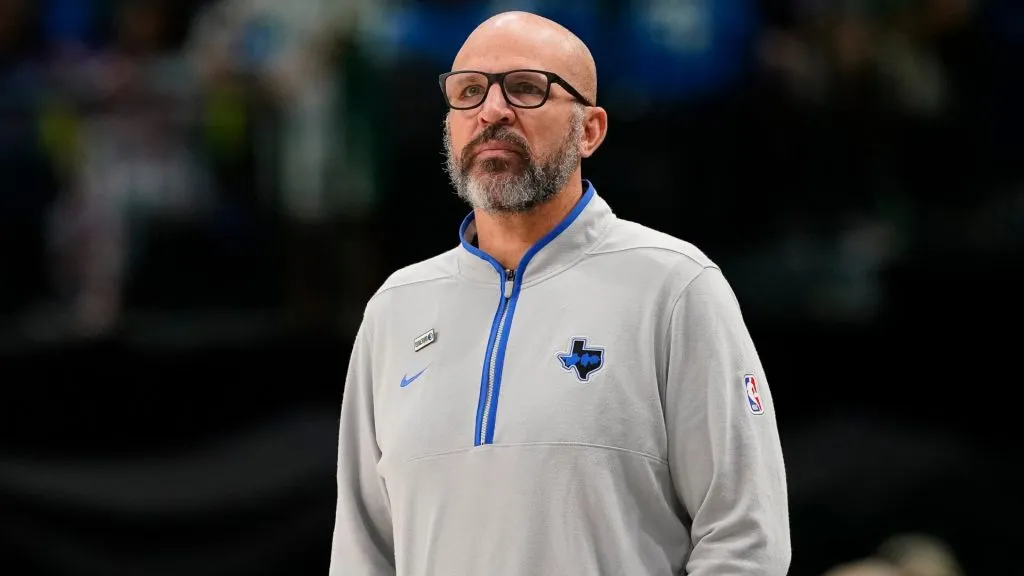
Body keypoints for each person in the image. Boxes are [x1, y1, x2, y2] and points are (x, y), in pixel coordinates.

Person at [330, 11, 790, 576]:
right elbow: (361, 554)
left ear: (590, 130)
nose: (492, 111)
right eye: (469, 92)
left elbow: (746, 539)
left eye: (525, 88)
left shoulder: (675, 287)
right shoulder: (395, 309)